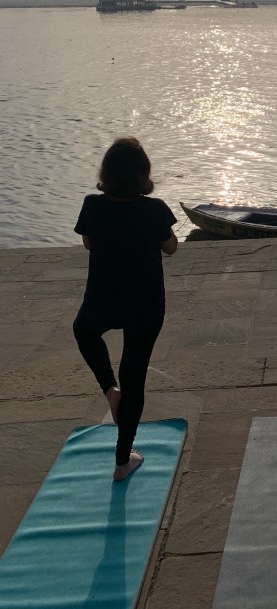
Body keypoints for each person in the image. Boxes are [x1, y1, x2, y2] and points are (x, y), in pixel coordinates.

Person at [73, 137, 178, 480]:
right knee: (135, 377)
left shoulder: (92, 205)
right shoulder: (155, 209)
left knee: (84, 330)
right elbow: (171, 247)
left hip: (103, 298)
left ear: (107, 172)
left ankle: (108, 388)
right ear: (142, 174)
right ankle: (123, 460)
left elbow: (88, 242)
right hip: (145, 304)